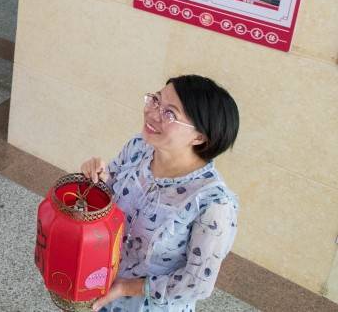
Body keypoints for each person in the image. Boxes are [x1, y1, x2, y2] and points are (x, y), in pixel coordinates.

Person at [80, 75, 240, 312]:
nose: (153, 114)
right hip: (100, 281)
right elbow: (110, 196)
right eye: (156, 101)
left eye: (170, 114)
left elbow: (196, 284)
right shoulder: (138, 147)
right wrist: (97, 177)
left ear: (199, 137)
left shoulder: (213, 203)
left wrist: (126, 288)